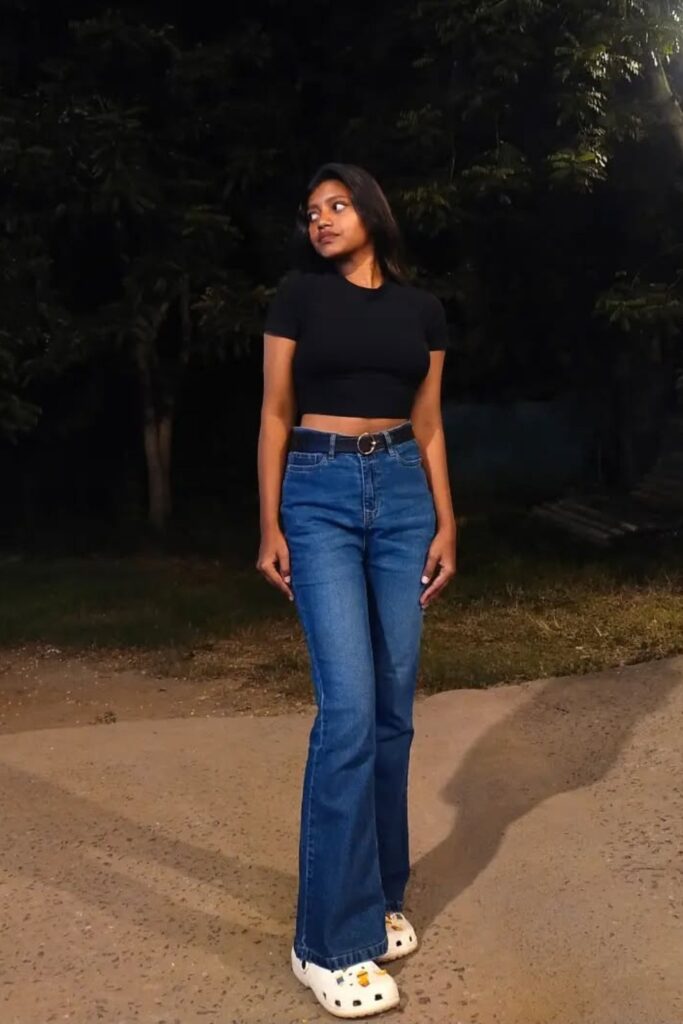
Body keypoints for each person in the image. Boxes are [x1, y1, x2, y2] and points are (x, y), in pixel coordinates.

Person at [256, 162, 457, 1018]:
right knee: (345, 711)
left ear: (372, 212)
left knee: (392, 711)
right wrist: (269, 524)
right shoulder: (298, 296)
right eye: (311, 211)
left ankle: (375, 898)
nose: (321, 220)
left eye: (336, 206)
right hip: (320, 495)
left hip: (405, 497)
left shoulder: (422, 310)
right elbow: (273, 411)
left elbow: (429, 423)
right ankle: (326, 944)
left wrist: (448, 522)